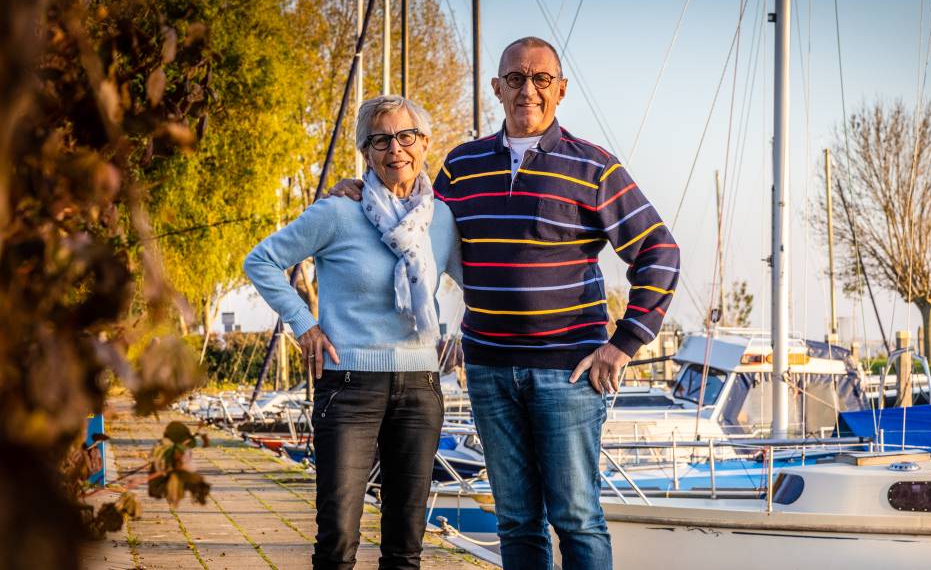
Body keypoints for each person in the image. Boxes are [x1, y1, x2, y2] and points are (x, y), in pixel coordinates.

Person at [331, 36, 680, 569]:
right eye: (515, 78)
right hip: (490, 370)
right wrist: (358, 191)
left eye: (541, 79)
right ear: (497, 88)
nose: (528, 89)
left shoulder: (594, 168)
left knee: (578, 519)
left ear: (560, 89)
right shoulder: (462, 166)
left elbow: (659, 250)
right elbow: (412, 223)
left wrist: (624, 344)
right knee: (516, 522)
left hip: (568, 372)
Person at [244, 95, 461, 570]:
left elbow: (479, 286)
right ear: (366, 152)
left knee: (406, 547)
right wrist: (304, 324)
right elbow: (260, 261)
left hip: (421, 387)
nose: (394, 149)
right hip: (348, 388)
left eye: (405, 136)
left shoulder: (442, 219)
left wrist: (467, 335)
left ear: (425, 143)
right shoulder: (338, 213)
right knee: (338, 539)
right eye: (380, 140)